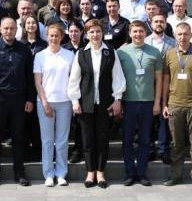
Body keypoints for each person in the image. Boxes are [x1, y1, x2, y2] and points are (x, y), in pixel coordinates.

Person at [67, 19, 126, 189]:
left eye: (98, 31)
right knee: (87, 140)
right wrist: (74, 101)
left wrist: (117, 99)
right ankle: (90, 172)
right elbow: (74, 79)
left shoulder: (111, 52)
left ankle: (100, 172)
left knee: (102, 139)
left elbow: (118, 77)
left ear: (102, 33)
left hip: (105, 104)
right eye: (91, 32)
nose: (95, 35)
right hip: (85, 104)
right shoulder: (81, 53)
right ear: (86, 34)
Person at [0, 17, 35, 187]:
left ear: (16, 30)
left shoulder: (24, 50)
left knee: (18, 137)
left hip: (19, 99)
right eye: (5, 28)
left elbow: (30, 77)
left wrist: (30, 99)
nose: (9, 31)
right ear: (0, 30)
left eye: (12, 28)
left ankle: (19, 173)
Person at [162, 22, 192, 191]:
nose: (182, 37)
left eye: (185, 34)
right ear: (175, 36)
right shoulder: (169, 54)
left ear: (191, 35)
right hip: (175, 105)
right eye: (179, 34)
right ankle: (175, 175)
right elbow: (165, 81)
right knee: (176, 143)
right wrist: (164, 104)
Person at [118, 21, 162, 187]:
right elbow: (117, 80)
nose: (138, 34)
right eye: (135, 31)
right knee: (127, 139)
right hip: (128, 102)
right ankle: (130, 173)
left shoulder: (155, 52)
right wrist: (118, 102)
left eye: (141, 31)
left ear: (146, 33)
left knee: (145, 139)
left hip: (147, 102)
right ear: (130, 33)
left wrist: (157, 103)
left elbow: (159, 80)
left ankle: (142, 173)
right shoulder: (121, 52)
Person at [34, 23, 74, 187]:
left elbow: (73, 79)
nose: (54, 38)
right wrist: (44, 102)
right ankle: (48, 173)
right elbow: (38, 82)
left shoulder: (70, 55)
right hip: (45, 101)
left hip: (65, 102)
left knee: (62, 140)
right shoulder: (40, 56)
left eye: (57, 35)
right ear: (47, 36)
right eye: (51, 35)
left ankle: (61, 173)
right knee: (47, 140)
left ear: (62, 37)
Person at [145, 13, 176, 164]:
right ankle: (150, 149)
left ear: (165, 24)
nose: (159, 24)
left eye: (161, 21)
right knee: (148, 119)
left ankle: (164, 150)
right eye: (156, 21)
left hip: (167, 84)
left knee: (165, 118)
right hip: (148, 85)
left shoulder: (173, 42)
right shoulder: (144, 41)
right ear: (151, 24)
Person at [22, 15, 48, 162]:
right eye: (28, 23)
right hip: (23, 88)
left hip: (40, 87)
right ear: (24, 26)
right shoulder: (19, 44)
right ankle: (25, 153)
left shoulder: (44, 45)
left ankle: (38, 152)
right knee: (24, 123)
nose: (31, 25)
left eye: (33, 23)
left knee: (38, 124)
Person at [63, 21, 86, 164]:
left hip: (83, 89)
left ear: (81, 32)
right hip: (65, 89)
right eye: (71, 31)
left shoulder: (87, 47)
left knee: (80, 122)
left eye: (76, 31)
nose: (73, 34)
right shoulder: (63, 49)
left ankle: (79, 150)